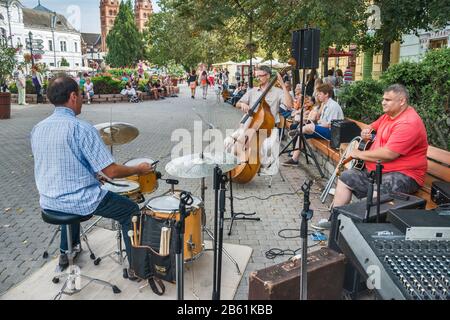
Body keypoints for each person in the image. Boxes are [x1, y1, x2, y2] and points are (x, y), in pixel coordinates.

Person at [30, 76, 154, 276]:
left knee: (67, 202)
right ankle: (137, 269)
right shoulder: (81, 128)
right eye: (80, 95)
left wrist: (92, 175)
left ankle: (66, 251)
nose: (82, 99)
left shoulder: (38, 128)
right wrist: (138, 169)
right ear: (72, 97)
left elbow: (59, 166)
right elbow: (111, 171)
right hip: (78, 201)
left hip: (48, 201)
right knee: (130, 210)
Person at [313, 84, 428, 230]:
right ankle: (334, 221)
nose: (383, 102)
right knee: (346, 177)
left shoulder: (408, 122)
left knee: (377, 190)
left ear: (402, 101)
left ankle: (363, 230)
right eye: (383, 99)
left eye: (388, 99)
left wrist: (358, 153)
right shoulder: (389, 115)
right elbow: (370, 127)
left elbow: (389, 154)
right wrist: (365, 133)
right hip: (378, 170)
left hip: (405, 174)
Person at [283, 83, 344, 166]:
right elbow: (322, 121)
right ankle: (294, 159)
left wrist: (316, 124)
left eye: (320, 94)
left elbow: (331, 125)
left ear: (326, 94)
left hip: (332, 133)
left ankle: (297, 130)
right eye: (318, 94)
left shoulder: (333, 106)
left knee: (305, 128)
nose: (318, 96)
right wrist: (314, 122)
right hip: (324, 129)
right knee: (302, 133)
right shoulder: (326, 104)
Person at [236, 65, 294, 131]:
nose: (257, 78)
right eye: (256, 76)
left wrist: (283, 85)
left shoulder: (278, 92)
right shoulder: (252, 91)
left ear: (268, 76)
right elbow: (237, 104)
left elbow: (290, 105)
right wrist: (242, 104)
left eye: (260, 76)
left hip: (270, 129)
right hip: (252, 127)